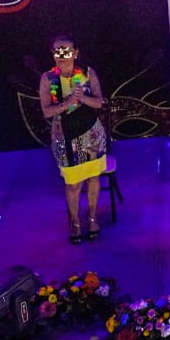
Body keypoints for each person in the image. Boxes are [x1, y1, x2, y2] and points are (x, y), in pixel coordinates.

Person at [39, 36, 109, 244]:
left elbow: (100, 102)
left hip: (91, 135)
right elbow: (46, 111)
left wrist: (82, 98)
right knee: (73, 184)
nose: (62, 55)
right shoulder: (49, 78)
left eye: (67, 51)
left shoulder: (87, 73)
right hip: (65, 137)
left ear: (75, 53)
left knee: (93, 179)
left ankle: (93, 217)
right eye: (57, 51)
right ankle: (75, 221)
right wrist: (68, 102)